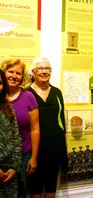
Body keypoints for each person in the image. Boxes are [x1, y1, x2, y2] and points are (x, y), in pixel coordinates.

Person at [27, 57, 68, 198]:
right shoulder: (26, 94)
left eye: (47, 68)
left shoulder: (57, 93)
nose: (44, 72)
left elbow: (62, 120)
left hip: (54, 149)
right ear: (33, 72)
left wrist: (64, 147)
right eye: (40, 68)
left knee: (51, 187)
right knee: (35, 189)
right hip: (34, 150)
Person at [1, 59, 40, 198]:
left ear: (22, 77)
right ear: (3, 73)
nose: (14, 76)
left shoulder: (28, 97)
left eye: (18, 73)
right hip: (1, 157)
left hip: (24, 155)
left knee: (20, 192)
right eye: (10, 71)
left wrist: (34, 157)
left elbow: (35, 129)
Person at [0, 69, 22, 198]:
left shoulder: (7, 107)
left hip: (9, 175)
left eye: (0, 83)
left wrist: (14, 167)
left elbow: (16, 139)